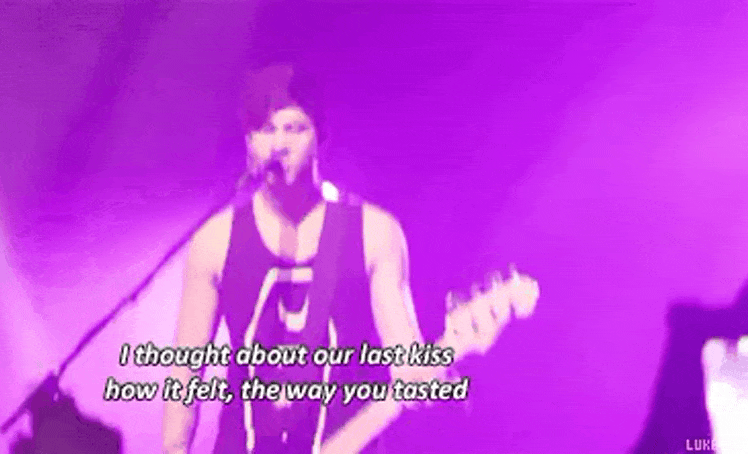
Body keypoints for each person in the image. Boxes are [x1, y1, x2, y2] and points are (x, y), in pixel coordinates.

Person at [162, 63, 510, 454]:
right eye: (266, 129)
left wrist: (446, 356)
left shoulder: (374, 233)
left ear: (320, 138)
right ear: (248, 141)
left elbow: (408, 367)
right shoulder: (214, 240)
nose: (278, 144)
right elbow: (185, 375)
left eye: (294, 128)